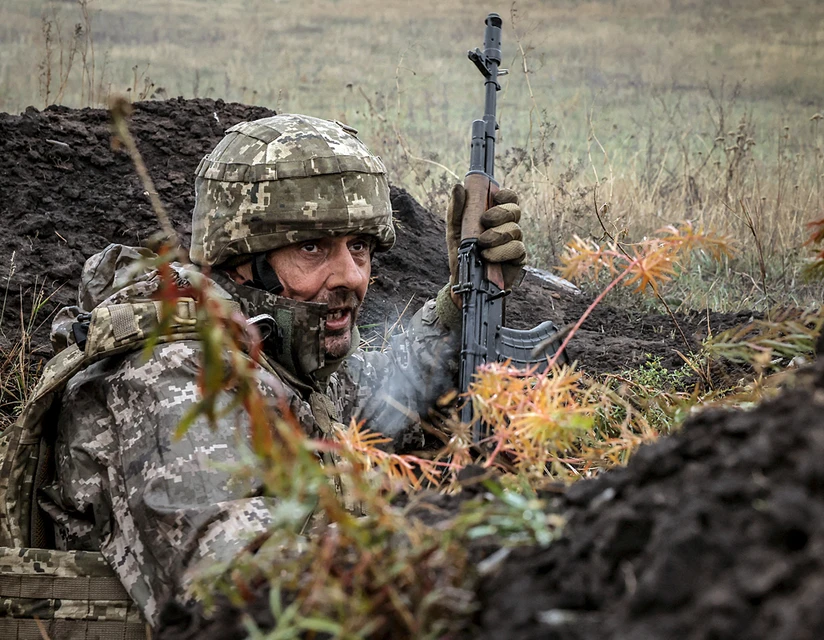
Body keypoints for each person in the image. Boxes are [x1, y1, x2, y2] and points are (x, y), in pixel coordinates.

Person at [17, 114, 526, 627]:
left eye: (359, 247)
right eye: (313, 248)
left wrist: (463, 303)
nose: (351, 277)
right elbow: (246, 597)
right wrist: (442, 540)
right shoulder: (178, 383)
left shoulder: (274, 352)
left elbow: (380, 402)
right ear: (241, 261)